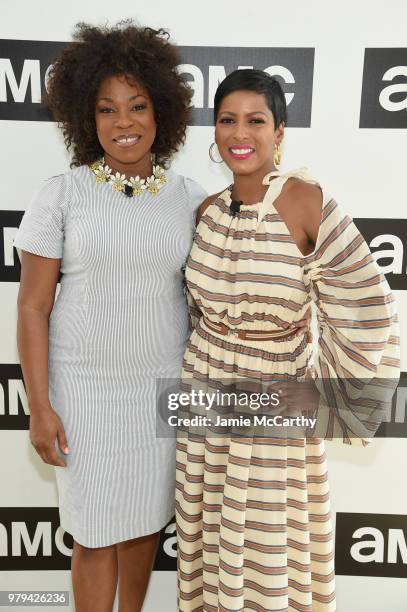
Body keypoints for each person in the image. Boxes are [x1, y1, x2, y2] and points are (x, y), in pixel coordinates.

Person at [175, 69, 400, 611]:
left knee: (270, 550)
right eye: (227, 120)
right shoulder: (205, 212)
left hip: (274, 402)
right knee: (208, 539)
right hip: (204, 399)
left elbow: (367, 303)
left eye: (256, 120)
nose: (239, 133)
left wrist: (330, 397)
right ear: (214, 131)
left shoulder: (306, 202)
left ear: (280, 132)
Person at [15, 21, 206, 612]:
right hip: (83, 391)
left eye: (137, 106)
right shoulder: (61, 194)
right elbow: (32, 306)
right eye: (107, 110)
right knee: (95, 532)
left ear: (162, 112)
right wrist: (40, 407)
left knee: (145, 524)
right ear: (85, 119)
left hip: (159, 389)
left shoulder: (189, 198)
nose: (124, 123)